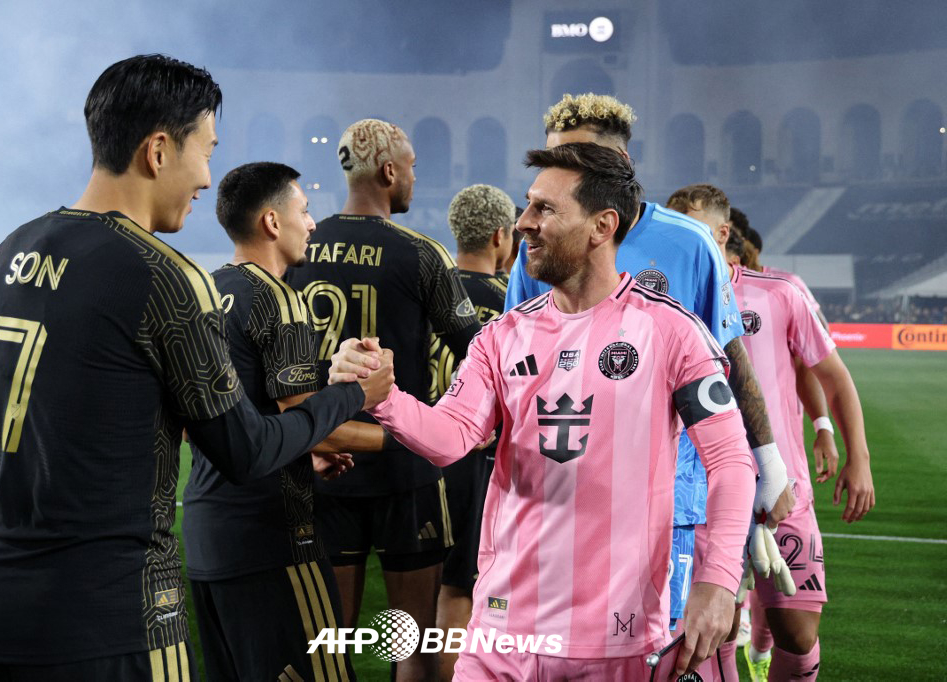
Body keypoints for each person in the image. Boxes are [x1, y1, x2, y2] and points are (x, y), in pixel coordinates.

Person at [0, 56, 390, 682]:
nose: (208, 178)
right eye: (205, 151)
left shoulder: (4, 256)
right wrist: (351, 396)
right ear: (158, 150)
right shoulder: (163, 275)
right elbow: (245, 450)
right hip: (118, 621)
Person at [331, 142, 755, 679]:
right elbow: (451, 436)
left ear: (602, 226)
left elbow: (731, 461)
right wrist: (384, 396)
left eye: (545, 208)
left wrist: (718, 579)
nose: (523, 221)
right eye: (528, 204)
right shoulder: (502, 336)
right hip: (501, 633)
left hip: (614, 641)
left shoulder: (672, 333)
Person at [505, 94, 794, 639]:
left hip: (663, 500)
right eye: (552, 161)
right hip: (562, 495)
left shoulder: (688, 244)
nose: (558, 176)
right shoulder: (536, 248)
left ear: (620, 165)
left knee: (654, 652)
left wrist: (767, 463)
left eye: (575, 160)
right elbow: (515, 361)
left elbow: (729, 360)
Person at [183, 162, 393, 681]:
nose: (313, 223)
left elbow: (201, 422)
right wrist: (410, 441)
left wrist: (303, 451)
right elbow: (311, 419)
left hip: (208, 536)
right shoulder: (279, 299)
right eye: (304, 210)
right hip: (274, 537)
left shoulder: (205, 292)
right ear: (272, 222)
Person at [287, 118, 480, 679]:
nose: (415, 176)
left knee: (330, 644)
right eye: (412, 166)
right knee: (412, 645)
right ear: (390, 171)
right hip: (405, 467)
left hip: (324, 461)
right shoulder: (420, 253)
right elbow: (477, 351)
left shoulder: (301, 246)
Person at [710, 208, 875, 681]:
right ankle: (753, 648)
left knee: (799, 634)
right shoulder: (665, 296)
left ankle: (761, 650)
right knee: (715, 628)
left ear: (723, 233)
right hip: (705, 493)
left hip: (782, 486)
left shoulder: (781, 290)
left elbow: (815, 368)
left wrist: (832, 434)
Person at [429, 184, 514, 679]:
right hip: (475, 464)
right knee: (461, 592)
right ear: (501, 236)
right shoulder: (511, 302)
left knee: (416, 595)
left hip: (419, 451)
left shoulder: (427, 287)